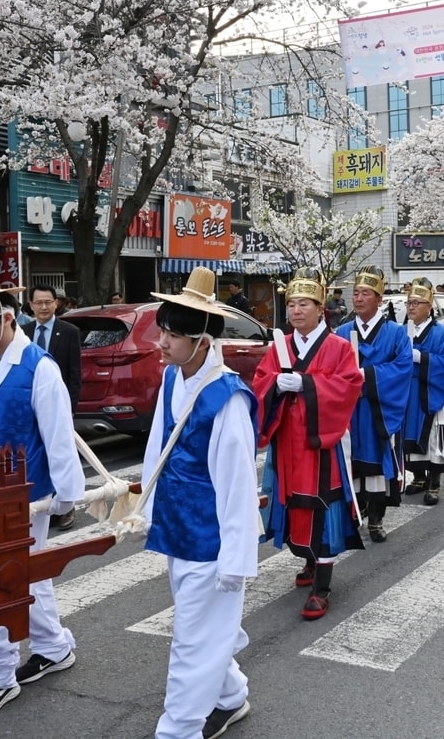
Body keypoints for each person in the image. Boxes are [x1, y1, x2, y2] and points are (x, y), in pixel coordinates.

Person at [0, 269, 84, 719]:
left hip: (29, 492)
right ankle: (53, 646)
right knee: (27, 571)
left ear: (6, 318)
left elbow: (58, 434)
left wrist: (67, 493)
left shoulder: (39, 367)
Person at [139, 267, 259, 739]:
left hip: (210, 538)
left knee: (191, 639)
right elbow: (157, 448)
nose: (162, 343)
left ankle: (178, 729)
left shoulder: (226, 399)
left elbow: (237, 485)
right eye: (162, 332)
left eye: (173, 335)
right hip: (176, 527)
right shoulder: (173, 378)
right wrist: (146, 509)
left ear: (203, 340)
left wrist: (236, 559)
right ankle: (229, 696)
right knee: (203, 627)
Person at [255, 268, 364, 621]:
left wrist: (307, 385)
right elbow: (260, 382)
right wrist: (274, 385)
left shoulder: (339, 347)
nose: (296, 311)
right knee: (293, 503)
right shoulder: (280, 346)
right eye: (291, 305)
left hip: (321, 442)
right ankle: (307, 558)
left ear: (321, 308)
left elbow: (348, 387)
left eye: (304, 304)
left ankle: (322, 585)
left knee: (322, 503)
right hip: (288, 441)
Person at [334, 266, 411, 543]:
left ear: (379, 298)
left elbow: (403, 368)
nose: (358, 298)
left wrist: (365, 375)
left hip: (378, 409)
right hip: (349, 410)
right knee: (349, 459)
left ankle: (377, 518)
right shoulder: (342, 331)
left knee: (379, 459)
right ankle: (355, 513)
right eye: (355, 293)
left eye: (365, 293)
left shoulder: (395, 333)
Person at [22, 283, 83, 532]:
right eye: (39, 303)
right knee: (39, 456)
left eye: (48, 302)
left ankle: (66, 508)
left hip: (58, 406)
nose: (44, 307)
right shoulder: (22, 331)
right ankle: (43, 504)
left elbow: (74, 374)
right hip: (31, 409)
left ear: (56, 303)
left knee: (61, 453)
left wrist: (70, 408)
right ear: (31, 305)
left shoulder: (69, 331)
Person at [399, 278, 444, 506]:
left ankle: (434, 482)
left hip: (430, 391)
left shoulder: (441, 333)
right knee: (407, 435)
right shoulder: (401, 331)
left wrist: (422, 358)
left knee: (434, 437)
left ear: (429, 306)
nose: (412, 307)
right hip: (408, 393)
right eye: (409, 303)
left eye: (417, 302)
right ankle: (418, 477)